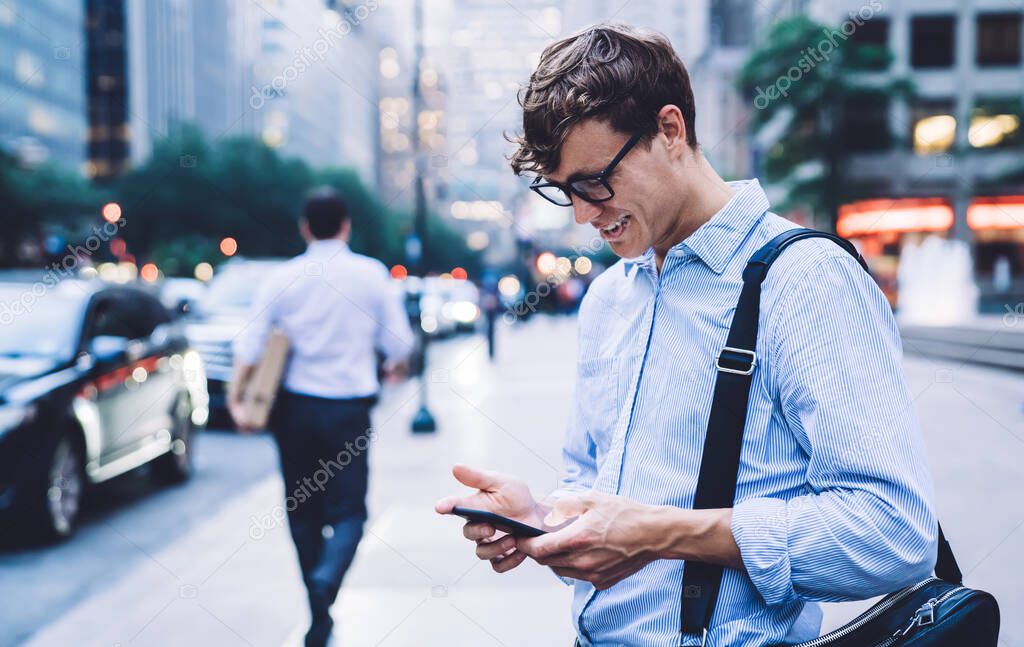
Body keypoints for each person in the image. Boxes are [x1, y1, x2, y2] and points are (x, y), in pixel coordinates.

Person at [435, 23, 938, 646]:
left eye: (595, 181)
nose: (584, 215)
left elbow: (894, 535)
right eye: (565, 191)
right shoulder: (609, 297)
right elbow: (597, 490)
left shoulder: (807, 280)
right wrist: (543, 520)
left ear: (670, 130)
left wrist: (658, 532)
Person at [230, 187, 414, 647]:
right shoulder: (370, 275)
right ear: (346, 226)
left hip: (294, 411)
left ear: (305, 227)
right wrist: (391, 363)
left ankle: (318, 601)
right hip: (349, 410)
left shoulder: (281, 278)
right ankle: (328, 578)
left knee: (301, 508)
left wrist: (238, 401)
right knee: (350, 509)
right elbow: (400, 345)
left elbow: (248, 346)